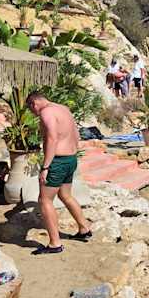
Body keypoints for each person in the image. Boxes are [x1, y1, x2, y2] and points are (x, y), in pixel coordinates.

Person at [26, 92, 93, 255]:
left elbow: (52, 138)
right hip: (70, 158)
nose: (33, 114)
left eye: (31, 110)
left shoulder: (46, 112)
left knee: (44, 200)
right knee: (65, 195)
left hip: (57, 161)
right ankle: (84, 228)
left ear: (34, 103)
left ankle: (55, 243)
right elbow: (76, 134)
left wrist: (46, 167)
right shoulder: (63, 109)